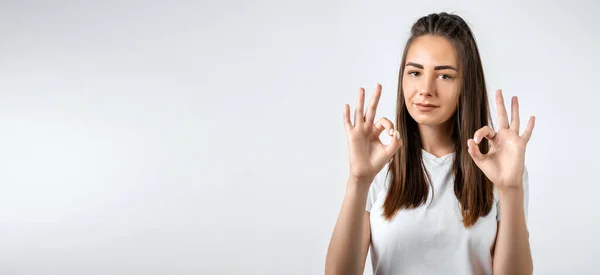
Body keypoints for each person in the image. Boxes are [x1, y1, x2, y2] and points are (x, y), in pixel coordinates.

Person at [325, 12, 534, 275]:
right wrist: (358, 179)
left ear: (466, 85)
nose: (425, 89)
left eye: (444, 76)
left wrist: (511, 188)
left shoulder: (501, 169)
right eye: (415, 72)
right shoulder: (378, 166)